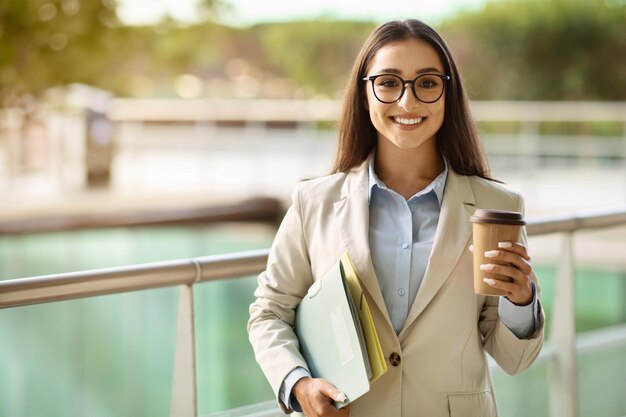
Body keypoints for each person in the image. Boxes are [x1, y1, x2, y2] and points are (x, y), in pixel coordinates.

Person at [248, 19, 544, 417]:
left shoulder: (497, 205)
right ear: (364, 93)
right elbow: (269, 312)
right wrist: (298, 383)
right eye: (388, 83)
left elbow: (515, 360)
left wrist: (520, 299)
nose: (408, 102)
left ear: (447, 93)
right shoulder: (312, 202)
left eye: (426, 83)